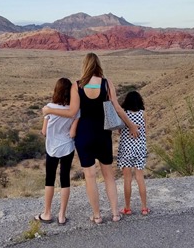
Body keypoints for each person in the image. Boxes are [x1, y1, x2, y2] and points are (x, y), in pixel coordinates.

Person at [42, 53, 139, 224]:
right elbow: (117, 108)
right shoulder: (107, 84)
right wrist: (131, 125)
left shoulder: (77, 86)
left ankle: (97, 216)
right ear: (98, 65)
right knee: (108, 175)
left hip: (84, 136)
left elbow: (72, 112)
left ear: (85, 66)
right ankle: (115, 214)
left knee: (90, 176)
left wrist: (50, 111)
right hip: (103, 135)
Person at [35, 78, 79, 226]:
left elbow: (44, 131)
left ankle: (47, 213)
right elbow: (73, 133)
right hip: (67, 147)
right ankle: (62, 215)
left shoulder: (49, 107)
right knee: (65, 179)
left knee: (50, 179)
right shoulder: (75, 110)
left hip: (52, 148)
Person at [117, 91, 149, 216]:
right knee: (140, 178)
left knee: (127, 179)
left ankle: (127, 207)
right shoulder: (143, 114)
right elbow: (145, 130)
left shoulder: (124, 114)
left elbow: (119, 131)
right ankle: (144, 208)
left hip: (126, 149)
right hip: (140, 148)